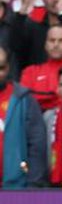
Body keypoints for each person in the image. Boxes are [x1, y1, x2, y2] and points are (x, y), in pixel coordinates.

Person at [0, 46, 47, 188]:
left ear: (8, 68)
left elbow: (37, 146)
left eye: (0, 67)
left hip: (16, 188)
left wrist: (33, 183)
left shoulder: (24, 100)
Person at [20, 25, 62, 111]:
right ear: (45, 45)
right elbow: (24, 102)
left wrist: (41, 98)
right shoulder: (30, 71)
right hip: (34, 118)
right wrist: (54, 97)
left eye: (61, 41)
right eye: (52, 40)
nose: (55, 45)